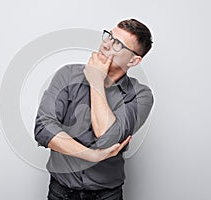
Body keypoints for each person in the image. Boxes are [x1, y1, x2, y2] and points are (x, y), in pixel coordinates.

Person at [34, 18, 153, 200]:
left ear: (134, 60)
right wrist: (91, 155)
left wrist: (96, 80)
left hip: (107, 195)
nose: (106, 45)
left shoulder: (140, 95)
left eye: (118, 44)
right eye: (109, 37)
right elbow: (43, 129)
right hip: (61, 192)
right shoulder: (67, 75)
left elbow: (106, 137)